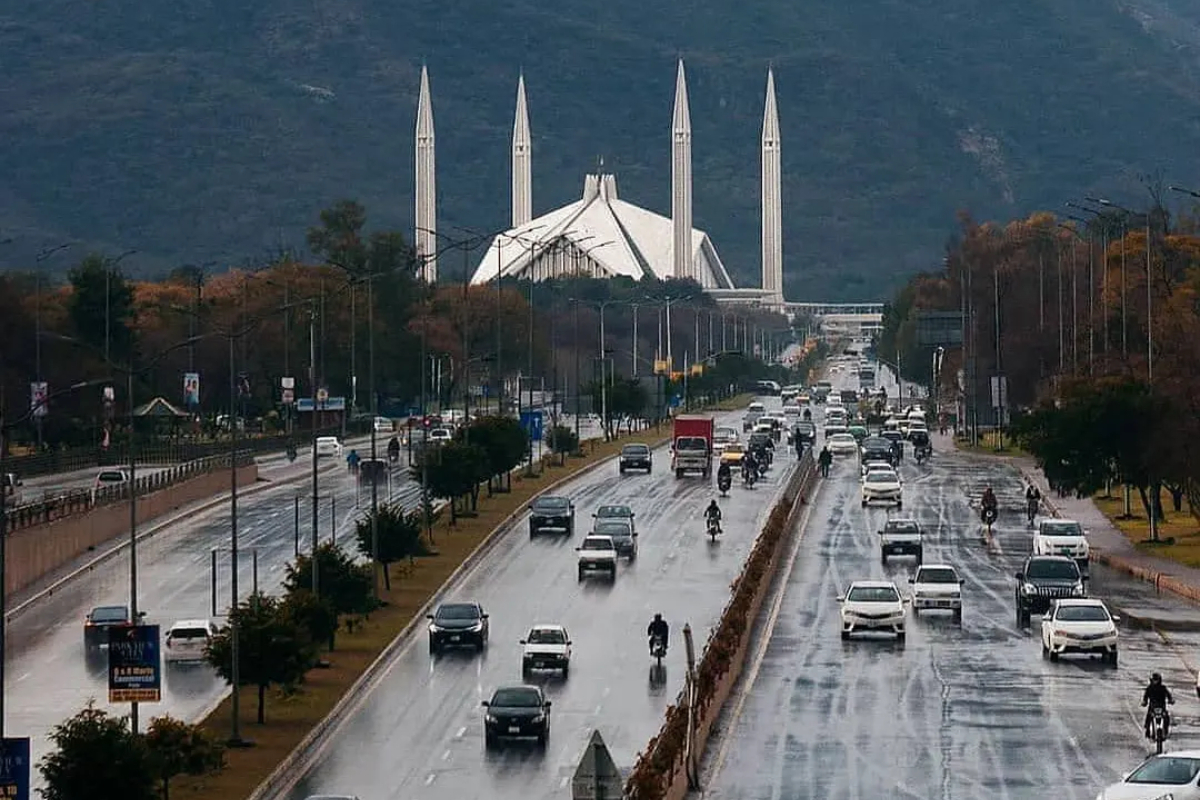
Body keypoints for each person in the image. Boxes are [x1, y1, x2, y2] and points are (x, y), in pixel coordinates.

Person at [1143, 672, 1175, 739]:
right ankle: (1148, 730)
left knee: (1166, 717)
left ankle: (1165, 730)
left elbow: (1168, 695)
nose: (1155, 682)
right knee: (1149, 716)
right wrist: (1144, 702)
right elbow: (1145, 697)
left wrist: (1171, 700)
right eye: (1154, 680)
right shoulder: (1149, 688)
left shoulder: (1163, 688)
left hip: (1161, 707)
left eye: (1156, 680)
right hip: (1152, 707)